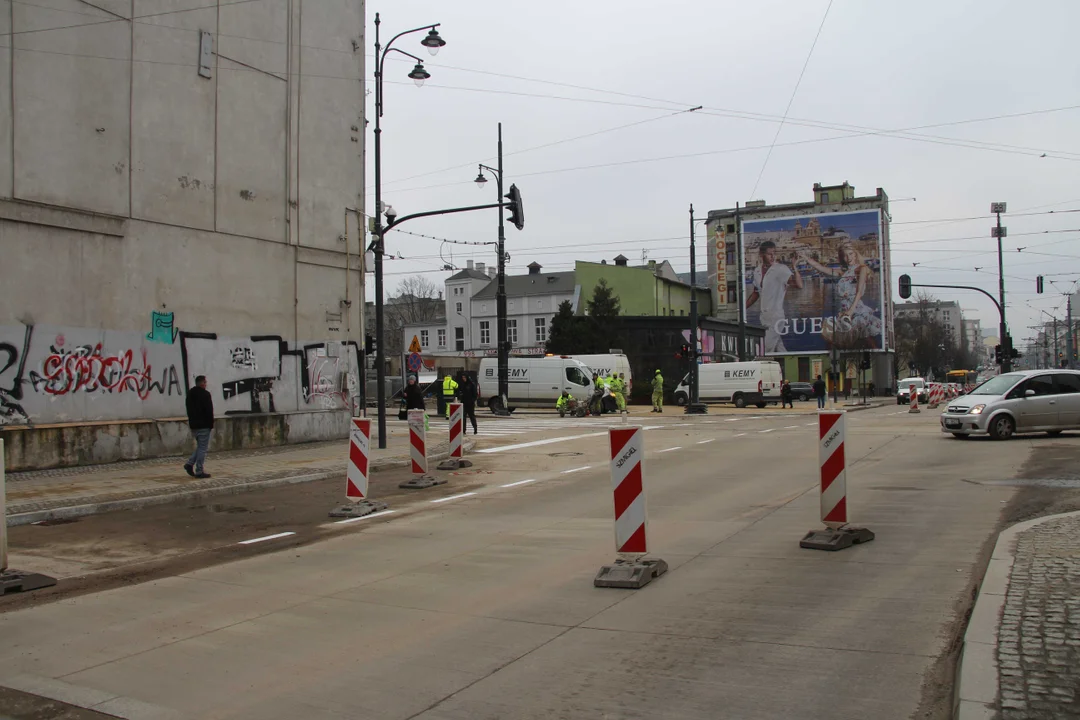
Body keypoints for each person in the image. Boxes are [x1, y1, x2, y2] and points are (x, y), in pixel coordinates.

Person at [799, 240, 882, 348]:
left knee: (867, 340)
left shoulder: (862, 269)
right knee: (835, 342)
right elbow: (821, 268)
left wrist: (850, 311)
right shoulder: (843, 272)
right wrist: (805, 258)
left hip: (855, 310)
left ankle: (877, 361)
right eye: (845, 255)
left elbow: (859, 292)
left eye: (851, 254)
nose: (849, 258)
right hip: (843, 312)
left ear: (856, 254)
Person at [746, 240, 803, 353]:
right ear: (762, 255)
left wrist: (794, 268)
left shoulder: (780, 269)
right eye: (769, 254)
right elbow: (756, 293)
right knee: (780, 349)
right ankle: (788, 369)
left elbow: (799, 285)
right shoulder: (757, 271)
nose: (773, 256)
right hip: (764, 318)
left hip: (776, 318)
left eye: (774, 253)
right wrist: (743, 308)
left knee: (765, 349)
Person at [184, 375, 214, 479]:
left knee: (200, 447)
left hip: (194, 425)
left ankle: (189, 464)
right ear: (202, 383)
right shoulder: (205, 395)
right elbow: (209, 411)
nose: (206, 384)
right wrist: (210, 424)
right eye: (205, 382)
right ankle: (199, 470)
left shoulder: (190, 394)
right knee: (202, 448)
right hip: (204, 425)